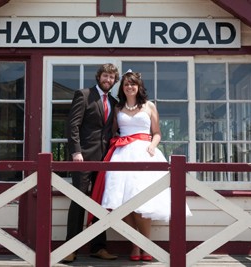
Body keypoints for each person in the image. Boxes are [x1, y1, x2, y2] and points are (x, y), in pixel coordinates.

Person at [93, 70, 192, 261]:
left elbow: (157, 132)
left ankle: (145, 245)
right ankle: (135, 246)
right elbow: (112, 132)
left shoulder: (149, 106)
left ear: (139, 87)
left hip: (145, 153)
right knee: (123, 204)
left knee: (143, 202)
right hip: (122, 155)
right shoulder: (117, 108)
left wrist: (152, 147)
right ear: (122, 88)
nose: (129, 87)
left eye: (133, 84)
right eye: (126, 84)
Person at [63, 63, 120, 263]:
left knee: (99, 203)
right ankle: (70, 248)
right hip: (84, 157)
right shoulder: (84, 95)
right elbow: (73, 125)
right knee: (78, 200)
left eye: (112, 77)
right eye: (105, 76)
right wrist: (76, 151)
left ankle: (98, 247)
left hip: (105, 160)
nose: (108, 80)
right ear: (99, 77)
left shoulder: (114, 101)